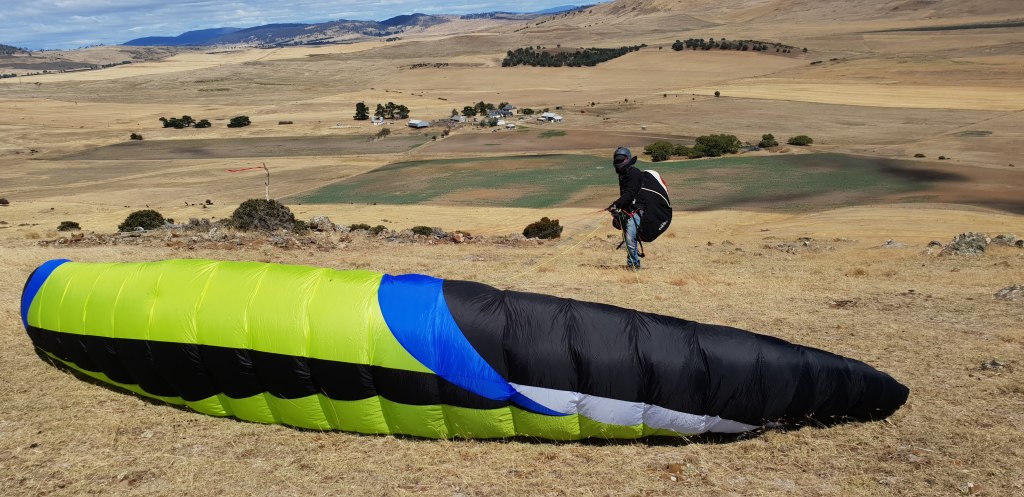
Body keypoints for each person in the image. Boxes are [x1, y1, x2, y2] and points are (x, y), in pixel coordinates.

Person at [608, 146, 644, 270]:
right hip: (627, 210)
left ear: (627, 159)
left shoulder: (634, 173)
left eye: (620, 159)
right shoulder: (623, 175)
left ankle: (634, 265)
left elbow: (630, 193)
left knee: (629, 238)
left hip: (637, 210)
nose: (618, 162)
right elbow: (625, 195)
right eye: (616, 160)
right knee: (628, 237)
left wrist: (616, 204)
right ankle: (632, 262)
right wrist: (617, 208)